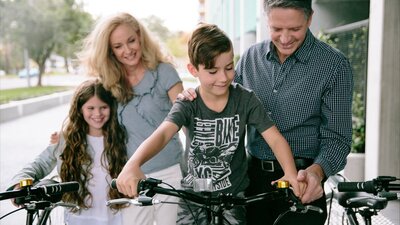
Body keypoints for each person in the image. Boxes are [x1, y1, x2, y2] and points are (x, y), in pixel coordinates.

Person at [179, 1, 353, 224]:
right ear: (266, 19)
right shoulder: (250, 58)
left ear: (309, 18)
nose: (285, 38)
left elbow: (337, 139)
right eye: (276, 29)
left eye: (295, 29)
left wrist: (316, 173)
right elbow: (223, 103)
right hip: (252, 183)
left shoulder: (334, 65)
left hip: (301, 181)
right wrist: (193, 98)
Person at [115, 23, 302, 225]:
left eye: (229, 68)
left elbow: (274, 138)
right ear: (193, 70)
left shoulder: (245, 99)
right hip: (194, 196)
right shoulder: (188, 103)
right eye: (213, 71)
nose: (223, 78)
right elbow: (162, 134)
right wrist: (132, 165)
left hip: (233, 195)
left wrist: (290, 173)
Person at [77, 12, 185, 225]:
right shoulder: (108, 82)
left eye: (131, 41)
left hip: (171, 172)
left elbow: (186, 119)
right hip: (130, 177)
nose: (127, 50)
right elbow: (91, 117)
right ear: (110, 50)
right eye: (118, 46)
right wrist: (61, 137)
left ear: (140, 36)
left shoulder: (164, 71)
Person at [8, 79, 128, 225]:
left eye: (103, 107)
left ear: (112, 107)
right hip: (77, 217)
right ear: (80, 109)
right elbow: (40, 163)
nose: (97, 113)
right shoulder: (66, 139)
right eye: (90, 108)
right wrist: (19, 184)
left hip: (117, 216)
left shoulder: (121, 137)